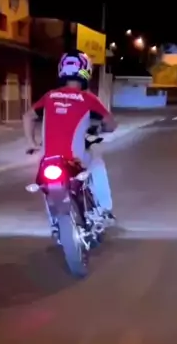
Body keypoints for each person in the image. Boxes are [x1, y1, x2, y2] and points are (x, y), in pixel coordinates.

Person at [23, 51, 117, 235]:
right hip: (75, 160)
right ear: (86, 70)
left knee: (46, 185)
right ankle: (104, 210)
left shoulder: (49, 96)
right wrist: (101, 129)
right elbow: (111, 123)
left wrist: (31, 143)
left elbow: (28, 116)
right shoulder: (88, 98)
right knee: (97, 164)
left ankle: (54, 224)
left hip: (49, 160)